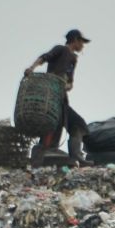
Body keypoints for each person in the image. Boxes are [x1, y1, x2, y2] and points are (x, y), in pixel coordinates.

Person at [25, 29, 90, 165]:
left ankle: (73, 157)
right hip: (51, 96)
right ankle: (56, 154)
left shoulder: (73, 59)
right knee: (62, 124)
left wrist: (66, 86)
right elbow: (44, 57)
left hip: (61, 98)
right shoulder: (61, 49)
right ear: (75, 40)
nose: (83, 46)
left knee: (71, 125)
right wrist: (31, 68)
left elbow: (70, 83)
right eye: (82, 42)